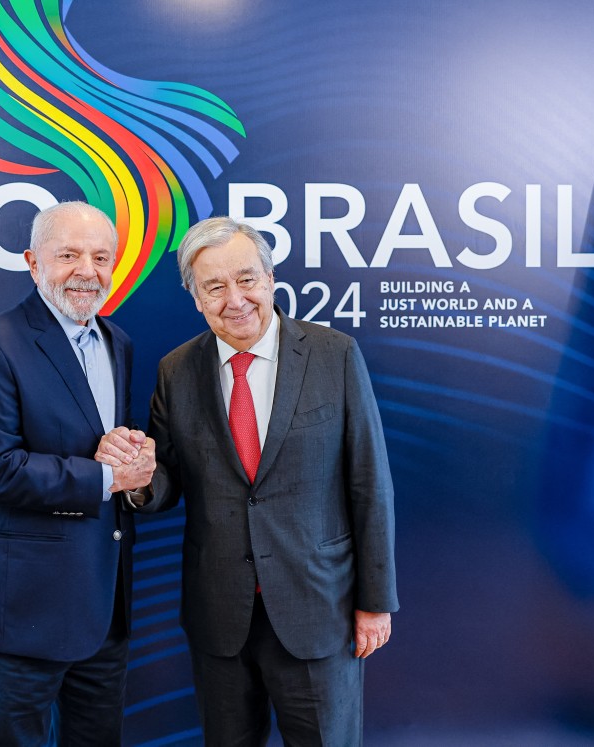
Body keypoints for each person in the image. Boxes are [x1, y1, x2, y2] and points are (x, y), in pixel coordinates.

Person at [97, 217, 398, 746]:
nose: (235, 299)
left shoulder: (335, 355)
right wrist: (139, 478)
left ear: (270, 279)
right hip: (220, 615)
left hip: (317, 608)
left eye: (246, 279)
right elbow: (166, 482)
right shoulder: (176, 370)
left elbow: (369, 484)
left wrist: (375, 601)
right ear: (195, 298)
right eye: (214, 286)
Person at [0, 201, 156, 746]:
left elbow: (101, 445)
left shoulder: (118, 344)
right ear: (32, 263)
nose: (87, 270)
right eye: (68, 255)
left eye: (100, 257)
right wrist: (111, 479)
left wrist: (131, 458)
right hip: (19, 615)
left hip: (102, 613)